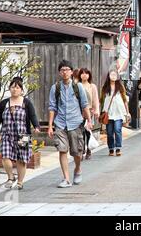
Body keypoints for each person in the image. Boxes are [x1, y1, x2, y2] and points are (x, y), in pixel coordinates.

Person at [0, 77, 40, 190]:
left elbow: (33, 116)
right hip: (7, 134)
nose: (15, 89)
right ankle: (11, 177)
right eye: (12, 87)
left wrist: (36, 126)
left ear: (21, 90)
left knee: (21, 159)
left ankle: (20, 182)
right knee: (5, 156)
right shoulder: (4, 103)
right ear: (9, 89)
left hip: (23, 136)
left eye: (17, 87)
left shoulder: (26, 103)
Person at [48, 60, 91, 188]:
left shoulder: (78, 87)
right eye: (62, 70)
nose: (65, 72)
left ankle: (77, 169)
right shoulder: (55, 88)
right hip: (60, 123)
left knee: (77, 152)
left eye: (67, 69)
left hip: (76, 123)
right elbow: (52, 107)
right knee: (62, 150)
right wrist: (50, 126)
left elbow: (84, 105)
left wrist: (89, 121)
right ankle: (66, 179)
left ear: (72, 72)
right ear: (59, 73)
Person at [100, 69, 130, 156]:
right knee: (109, 132)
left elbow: (125, 100)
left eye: (115, 74)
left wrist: (127, 112)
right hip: (108, 113)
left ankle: (118, 148)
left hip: (119, 112)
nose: (113, 76)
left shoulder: (120, 87)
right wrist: (100, 112)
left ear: (117, 77)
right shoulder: (105, 88)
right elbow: (101, 100)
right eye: (111, 74)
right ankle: (111, 148)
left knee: (117, 130)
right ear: (108, 76)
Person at [79, 68, 99, 160]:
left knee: (88, 131)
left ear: (89, 75)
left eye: (86, 73)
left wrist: (96, 111)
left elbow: (95, 99)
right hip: (79, 111)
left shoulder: (92, 86)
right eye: (82, 73)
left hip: (89, 111)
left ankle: (89, 150)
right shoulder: (77, 86)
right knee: (80, 132)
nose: (84, 75)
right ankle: (82, 150)